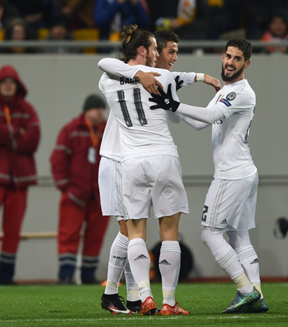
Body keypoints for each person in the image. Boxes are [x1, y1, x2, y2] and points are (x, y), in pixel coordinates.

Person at [148, 38, 267, 314]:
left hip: (232, 175)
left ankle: (246, 291)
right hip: (244, 172)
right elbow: (198, 122)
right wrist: (171, 102)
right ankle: (257, 295)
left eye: (237, 59)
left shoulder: (241, 92)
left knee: (209, 233)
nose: (229, 62)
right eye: (227, 56)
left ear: (246, 63)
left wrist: (173, 104)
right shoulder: (227, 91)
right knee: (239, 237)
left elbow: (211, 115)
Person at [98, 25, 189, 316]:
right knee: (129, 231)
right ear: (148, 52)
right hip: (116, 159)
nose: (172, 58)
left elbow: (106, 64)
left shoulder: (124, 79)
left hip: (130, 160)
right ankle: (114, 293)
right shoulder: (141, 75)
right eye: (168, 51)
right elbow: (108, 62)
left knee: (132, 231)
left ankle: (136, 295)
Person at [0, 65, 40, 284]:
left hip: (19, 181)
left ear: (17, 86)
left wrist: (4, 135)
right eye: (5, 82)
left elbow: (33, 138)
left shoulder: (27, 109)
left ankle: (5, 276)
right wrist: (14, 131)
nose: (8, 85)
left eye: (12, 82)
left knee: (13, 229)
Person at [50, 94, 110, 285]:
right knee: (68, 234)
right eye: (96, 108)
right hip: (75, 194)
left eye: (102, 109)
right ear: (87, 110)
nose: (100, 112)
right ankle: (66, 274)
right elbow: (58, 158)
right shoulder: (71, 130)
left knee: (96, 236)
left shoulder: (109, 130)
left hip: (100, 195)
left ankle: (88, 274)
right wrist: (64, 186)